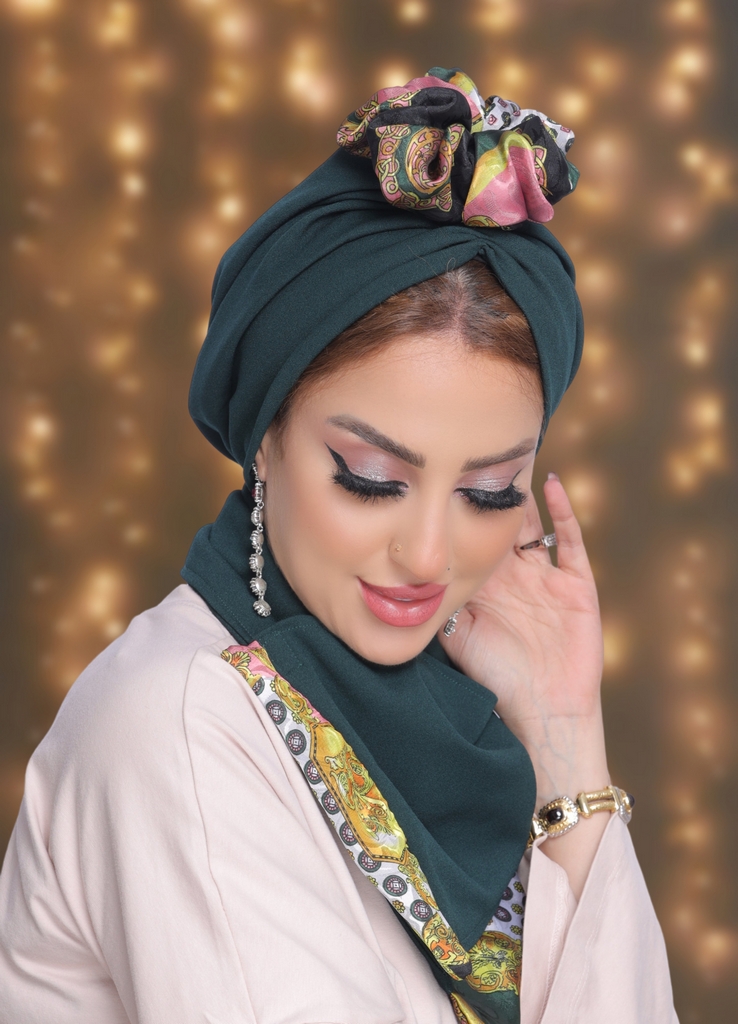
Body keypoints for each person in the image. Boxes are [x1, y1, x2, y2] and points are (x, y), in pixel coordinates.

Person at [0, 68, 677, 1024]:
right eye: (369, 478)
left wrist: (566, 736)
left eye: (490, 492)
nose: (429, 555)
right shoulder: (176, 728)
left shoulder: (453, 734)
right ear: (264, 436)